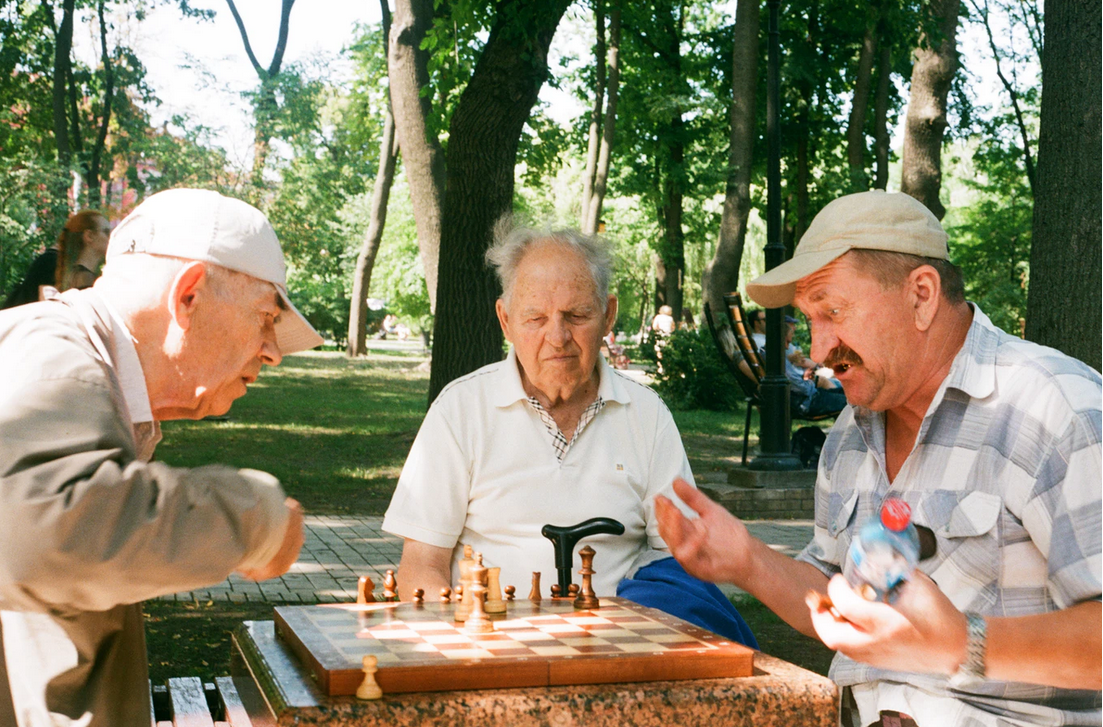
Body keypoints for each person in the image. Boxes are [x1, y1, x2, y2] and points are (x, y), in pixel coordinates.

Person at [655, 190, 1101, 726]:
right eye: (809, 319)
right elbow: (835, 599)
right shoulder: (849, 434)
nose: (819, 350)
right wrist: (746, 560)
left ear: (921, 295)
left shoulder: (1053, 408)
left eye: (834, 311)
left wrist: (964, 643)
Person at [0, 189, 325, 727]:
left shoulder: (82, 368)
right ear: (189, 295)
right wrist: (254, 516)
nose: (271, 351)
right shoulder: (54, 355)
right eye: (266, 317)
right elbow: (41, 535)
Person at [382, 226, 756, 646]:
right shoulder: (459, 411)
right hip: (493, 648)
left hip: (621, 654)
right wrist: (467, 638)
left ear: (608, 315)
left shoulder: (647, 415)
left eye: (576, 316)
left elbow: (678, 562)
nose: (557, 338)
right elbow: (421, 565)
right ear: (505, 320)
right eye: (535, 318)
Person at [2, 210, 111, 310]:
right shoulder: (50, 264)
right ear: (89, 236)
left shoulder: (73, 272)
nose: (111, 237)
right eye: (106, 232)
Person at [783, 314, 846, 418]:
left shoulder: (775, 355)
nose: (787, 346)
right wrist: (810, 381)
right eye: (787, 341)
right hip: (807, 401)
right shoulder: (775, 358)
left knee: (845, 393)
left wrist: (807, 378)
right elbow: (801, 388)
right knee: (853, 403)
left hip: (811, 395)